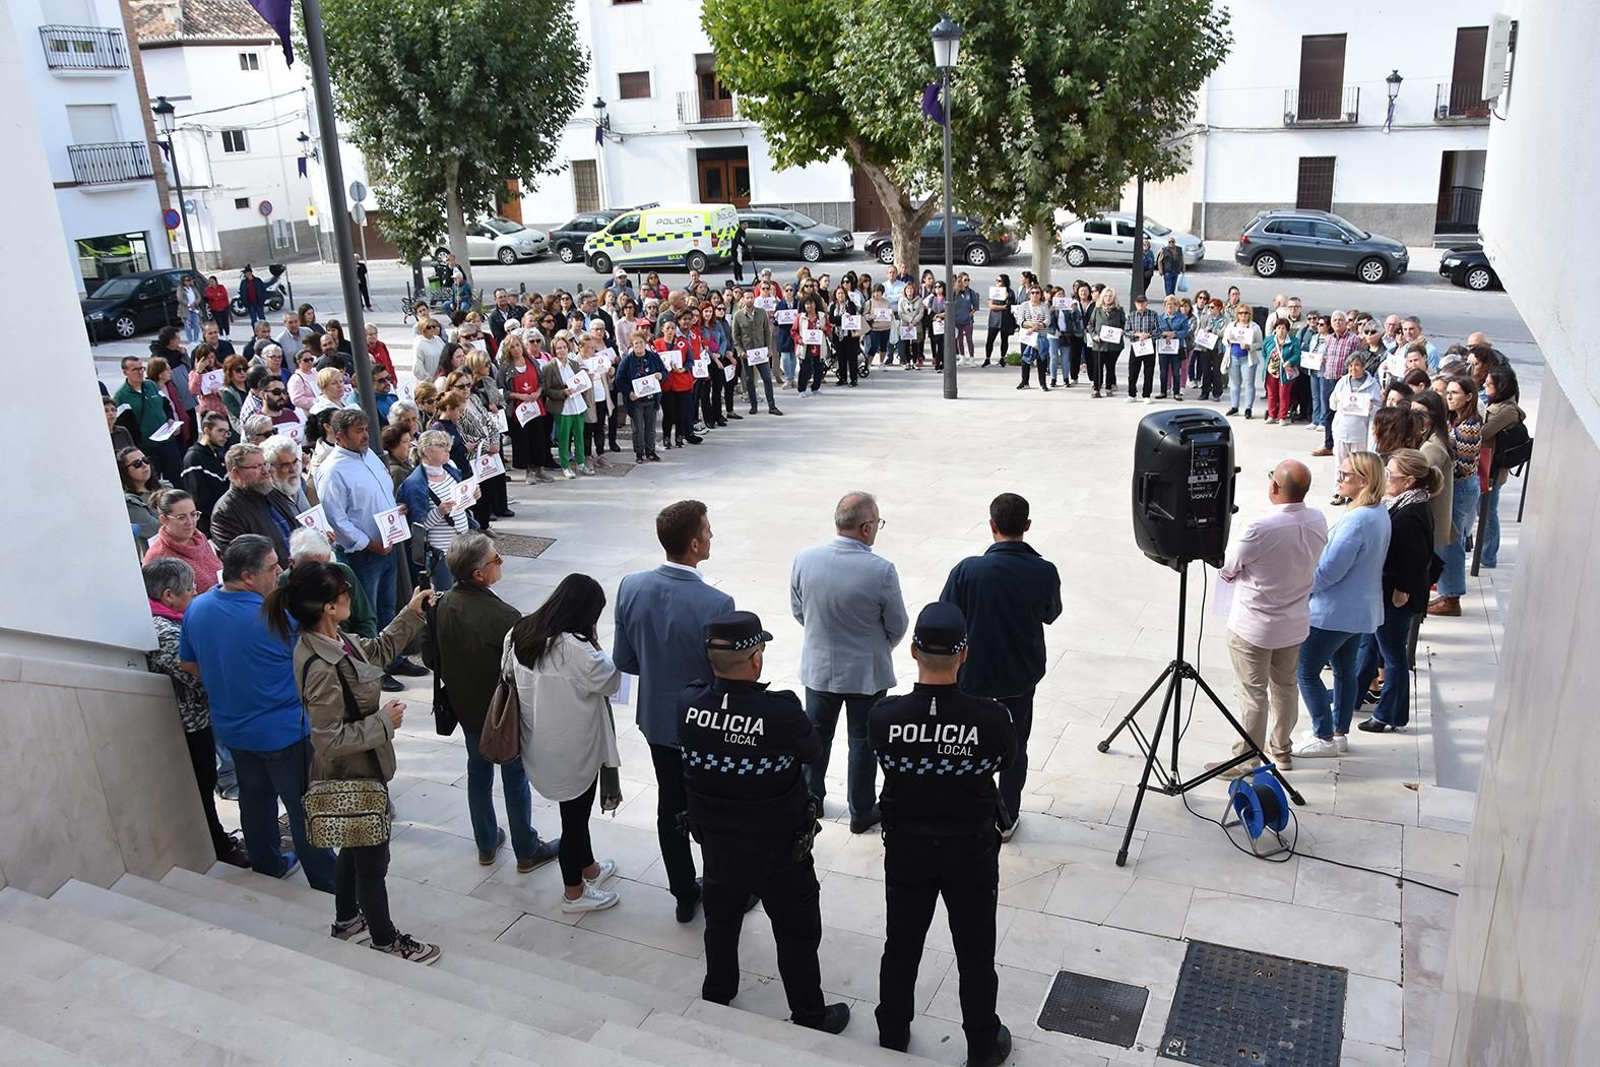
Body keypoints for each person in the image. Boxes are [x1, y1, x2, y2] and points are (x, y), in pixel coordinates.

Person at [678, 611, 849, 1034]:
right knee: (796, 931)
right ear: (755, 659)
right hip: (778, 850)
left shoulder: (688, 704)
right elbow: (811, 752)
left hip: (717, 844)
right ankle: (809, 1013)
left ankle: (718, 989)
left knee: (721, 917)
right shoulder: (781, 713)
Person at [269, 559, 441, 963]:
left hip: (360, 767)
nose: (351, 595)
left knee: (353, 846)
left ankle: (346, 920)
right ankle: (385, 938)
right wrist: (384, 721)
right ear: (329, 607)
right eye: (344, 592)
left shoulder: (334, 640)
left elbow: (375, 653)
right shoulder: (319, 665)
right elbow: (327, 739)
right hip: (352, 772)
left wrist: (411, 612)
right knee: (372, 863)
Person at [869, 603, 1017, 1067]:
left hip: (908, 848)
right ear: (964, 654)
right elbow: (1006, 763)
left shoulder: (884, 717)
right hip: (969, 851)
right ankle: (981, 1044)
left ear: (913, 651)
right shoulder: (991, 719)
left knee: (902, 945)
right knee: (975, 953)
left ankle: (893, 1032)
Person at [179, 535, 337, 888]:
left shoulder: (198, 608)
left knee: (254, 802)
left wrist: (228, 678)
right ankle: (328, 880)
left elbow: (188, 663)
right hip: (284, 732)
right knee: (304, 809)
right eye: (272, 567)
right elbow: (314, 665)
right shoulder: (277, 616)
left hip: (233, 730)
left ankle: (268, 866)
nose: (279, 573)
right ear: (248, 576)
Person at [612, 500, 735, 922]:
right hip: (704, 725)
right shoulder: (717, 603)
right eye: (708, 530)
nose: (713, 535)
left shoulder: (630, 586)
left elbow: (625, 662)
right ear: (695, 544)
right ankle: (723, 887)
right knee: (715, 806)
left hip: (657, 719)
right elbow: (728, 677)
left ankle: (683, 891)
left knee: (671, 804)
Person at [425, 532, 561, 871]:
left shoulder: (441, 605)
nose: (500, 561)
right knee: (514, 778)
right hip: (502, 714)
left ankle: (485, 843)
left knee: (478, 772)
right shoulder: (503, 616)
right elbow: (527, 669)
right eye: (495, 559)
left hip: (466, 709)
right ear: (478, 575)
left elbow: (430, 657)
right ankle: (526, 850)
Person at [937, 493, 1060, 837]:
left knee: (964, 743)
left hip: (971, 677)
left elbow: (945, 614)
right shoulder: (1043, 570)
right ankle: (1006, 817)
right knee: (1014, 746)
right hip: (1019, 677)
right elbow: (1051, 614)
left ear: (991, 525)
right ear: (1028, 526)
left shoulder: (966, 570)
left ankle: (964, 806)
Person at [790, 491, 909, 833]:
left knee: (816, 737)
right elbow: (897, 624)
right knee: (862, 744)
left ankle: (812, 799)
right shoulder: (881, 570)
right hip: (864, 674)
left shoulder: (804, 558)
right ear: (867, 527)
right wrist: (875, 647)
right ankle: (860, 811)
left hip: (819, 670)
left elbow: (800, 611)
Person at [508, 573, 623, 913]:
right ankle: (574, 892)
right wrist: (596, 644)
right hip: (574, 748)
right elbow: (612, 682)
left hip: (538, 742)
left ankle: (589, 868)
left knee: (573, 813)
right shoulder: (577, 650)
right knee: (574, 820)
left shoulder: (521, 631)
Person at [1207, 460, 1327, 776]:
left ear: (1274, 486)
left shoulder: (1260, 527)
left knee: (1252, 693)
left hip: (1254, 627)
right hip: (1294, 622)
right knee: (1286, 687)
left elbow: (1228, 566)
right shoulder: (1318, 519)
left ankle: (1245, 759)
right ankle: (1282, 748)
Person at [143, 558, 251, 868]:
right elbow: (198, 672)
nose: (196, 594)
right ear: (168, 596)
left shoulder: (171, 619)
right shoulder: (163, 630)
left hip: (199, 719)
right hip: (190, 725)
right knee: (203, 787)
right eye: (191, 590)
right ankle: (218, 845)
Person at [316, 410, 427, 690]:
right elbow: (337, 519)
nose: (366, 435)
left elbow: (380, 496)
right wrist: (369, 543)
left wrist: (394, 510)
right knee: (368, 613)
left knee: (388, 605)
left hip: (387, 545)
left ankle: (394, 656)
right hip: (363, 554)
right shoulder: (332, 470)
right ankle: (375, 667)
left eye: (366, 428)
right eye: (358, 431)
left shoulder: (370, 458)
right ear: (340, 436)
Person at [1295, 453, 1390, 758]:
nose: (1339, 479)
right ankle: (1338, 731)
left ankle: (1324, 735)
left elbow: (1330, 571)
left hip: (1334, 612)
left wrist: (1300, 589)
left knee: (1306, 671)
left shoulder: (1357, 520)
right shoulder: (1376, 512)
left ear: (1364, 481)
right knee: (1344, 671)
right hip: (1358, 611)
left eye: (1345, 475)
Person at [1355, 450, 1440, 733]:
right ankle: (1352, 695)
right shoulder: (1404, 503)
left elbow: (1416, 558)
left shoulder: (1412, 513)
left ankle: (1389, 714)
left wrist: (1401, 591)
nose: (1386, 479)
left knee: (1392, 656)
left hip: (1397, 596)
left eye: (1391, 475)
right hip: (1386, 591)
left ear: (1410, 481)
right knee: (1370, 646)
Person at [1428, 376, 1484, 617]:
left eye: (1455, 393)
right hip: (1458, 486)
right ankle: (1447, 589)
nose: (1449, 397)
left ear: (1469, 396)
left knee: (1451, 541)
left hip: (1461, 488)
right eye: (1447, 392)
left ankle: (1452, 599)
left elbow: (1463, 464)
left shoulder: (1469, 425)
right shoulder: (1456, 420)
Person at [397, 428, 476, 591]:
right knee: (444, 595)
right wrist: (439, 512)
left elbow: (460, 507)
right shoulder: (415, 483)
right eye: (442, 445)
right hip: (440, 552)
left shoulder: (451, 471)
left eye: (448, 445)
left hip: (462, 546)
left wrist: (472, 496)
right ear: (426, 450)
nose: (447, 449)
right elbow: (418, 527)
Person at [210, 442, 298, 565]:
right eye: (257, 466)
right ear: (236, 472)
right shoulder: (225, 512)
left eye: (264, 464)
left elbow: (296, 528)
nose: (265, 471)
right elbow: (244, 562)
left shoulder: (272, 492)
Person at [1477, 365, 1524, 570]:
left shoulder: (1508, 410)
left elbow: (1484, 433)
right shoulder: (1494, 404)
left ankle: (1488, 556)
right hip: (1483, 464)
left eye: (1490, 383)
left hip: (1493, 468)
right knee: (1481, 509)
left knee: (1488, 512)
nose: (1485, 385)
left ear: (1501, 387)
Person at [114, 355, 182, 485]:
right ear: (125, 372)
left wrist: (170, 419)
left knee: (176, 478)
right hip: (147, 447)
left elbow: (166, 404)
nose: (140, 372)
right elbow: (124, 424)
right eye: (135, 370)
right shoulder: (121, 396)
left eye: (141, 368)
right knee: (153, 482)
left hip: (167, 441)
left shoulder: (151, 385)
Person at [143, 487, 225, 593]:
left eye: (193, 514)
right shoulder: (157, 557)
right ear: (164, 519)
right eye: (181, 517)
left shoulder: (200, 538)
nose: (190, 522)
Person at [1312, 312, 1362, 457]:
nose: (1337, 322)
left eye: (1341, 320)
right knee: (1328, 412)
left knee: (1345, 413)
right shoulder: (1329, 339)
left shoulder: (1353, 339)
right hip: (1328, 379)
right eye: (1335, 320)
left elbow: (1357, 360)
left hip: (1345, 382)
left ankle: (1347, 445)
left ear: (1346, 323)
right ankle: (1329, 444)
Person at [180, 411, 231, 534]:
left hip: (227, 520)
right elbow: (198, 499)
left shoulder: (219, 454)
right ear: (207, 431)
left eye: (227, 432)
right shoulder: (193, 458)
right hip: (212, 528)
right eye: (220, 431)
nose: (225, 436)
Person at [733, 288, 782, 414]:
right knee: (749, 379)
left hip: (761, 351)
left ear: (754, 298)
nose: (749, 300)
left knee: (766, 378)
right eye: (747, 298)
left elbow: (767, 331)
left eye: (751, 297)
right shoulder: (738, 316)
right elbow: (735, 336)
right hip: (747, 352)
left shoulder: (761, 313)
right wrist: (740, 350)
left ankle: (772, 406)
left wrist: (769, 348)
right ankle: (753, 405)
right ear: (743, 299)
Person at [118, 446, 163, 558]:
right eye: (137, 464)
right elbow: (154, 529)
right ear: (125, 471)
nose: (144, 465)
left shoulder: (166, 486)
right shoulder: (129, 503)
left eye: (146, 460)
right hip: (159, 558)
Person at [1222, 304, 1263, 418]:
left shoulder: (1254, 327)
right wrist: (1229, 339)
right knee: (1235, 384)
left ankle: (1248, 408)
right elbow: (1224, 341)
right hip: (1233, 357)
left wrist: (1250, 346)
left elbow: (1260, 343)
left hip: (1247, 358)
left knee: (1249, 383)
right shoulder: (1231, 326)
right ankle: (1234, 406)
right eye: (1240, 313)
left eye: (1246, 313)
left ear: (1249, 314)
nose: (1243, 315)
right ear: (1237, 314)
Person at [1085, 286, 1125, 397]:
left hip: (1114, 345)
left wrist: (1122, 331)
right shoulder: (1097, 310)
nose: (1108, 298)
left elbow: (1124, 324)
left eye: (1110, 296)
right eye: (1106, 296)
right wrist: (1094, 336)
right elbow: (1090, 325)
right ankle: (1096, 389)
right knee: (1098, 367)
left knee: (1110, 366)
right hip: (1099, 344)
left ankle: (1108, 387)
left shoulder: (1119, 310)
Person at [1261, 319, 1301, 425]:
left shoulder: (1293, 341)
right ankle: (1271, 415)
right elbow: (1264, 353)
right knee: (1271, 394)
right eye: (1279, 328)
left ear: (1287, 330)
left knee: (1284, 395)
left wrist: (1290, 362)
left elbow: (1297, 355)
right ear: (1275, 329)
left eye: (1283, 328)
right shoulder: (1269, 340)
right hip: (1271, 372)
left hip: (1285, 372)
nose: (1281, 330)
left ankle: (1282, 416)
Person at [1124, 293, 1161, 402]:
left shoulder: (1153, 314)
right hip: (1136, 346)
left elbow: (1159, 330)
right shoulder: (1131, 315)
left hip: (1149, 345)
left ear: (1146, 303)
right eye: (1138, 302)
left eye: (1143, 302)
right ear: (1135, 304)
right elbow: (1126, 331)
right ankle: (1131, 394)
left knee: (1148, 371)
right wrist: (1137, 334)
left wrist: (1148, 334)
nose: (1140, 304)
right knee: (1133, 371)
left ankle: (1146, 395)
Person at [982, 274, 1016, 368]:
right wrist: (1002, 307)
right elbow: (991, 306)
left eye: (999, 281)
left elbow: (1010, 305)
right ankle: (987, 358)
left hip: (1005, 319)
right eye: (996, 280)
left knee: (1004, 339)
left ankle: (1002, 358)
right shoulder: (993, 292)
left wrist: (1006, 297)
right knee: (990, 340)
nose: (997, 282)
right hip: (994, 319)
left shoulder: (1010, 292)